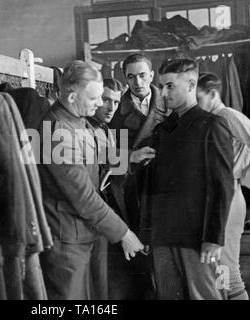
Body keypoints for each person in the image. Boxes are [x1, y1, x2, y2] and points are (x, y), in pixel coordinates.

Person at [37, 61, 145, 300]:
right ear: (73, 96)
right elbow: (82, 196)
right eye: (95, 98)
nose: (100, 104)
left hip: (83, 233)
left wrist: (130, 158)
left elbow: (96, 161)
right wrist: (124, 233)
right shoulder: (57, 130)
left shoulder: (77, 121)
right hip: (67, 238)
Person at [141, 58, 235, 300]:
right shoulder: (163, 130)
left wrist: (214, 238)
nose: (162, 93)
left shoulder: (212, 125)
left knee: (203, 296)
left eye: (170, 86)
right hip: (163, 235)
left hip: (196, 237)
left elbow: (222, 186)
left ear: (192, 84)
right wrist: (148, 231)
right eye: (161, 86)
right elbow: (150, 183)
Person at [196, 72, 250, 300]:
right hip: (220, 194)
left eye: (198, 97)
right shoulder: (211, 119)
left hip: (229, 195)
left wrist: (244, 179)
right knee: (217, 268)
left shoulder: (227, 116)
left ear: (213, 94)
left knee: (227, 269)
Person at [87, 78, 155, 299]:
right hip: (99, 213)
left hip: (115, 208)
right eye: (105, 100)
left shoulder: (105, 129)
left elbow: (108, 163)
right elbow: (95, 163)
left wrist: (131, 159)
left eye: (115, 102)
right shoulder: (85, 128)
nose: (111, 107)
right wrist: (130, 158)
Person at [108, 53, 167, 299]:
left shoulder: (169, 102)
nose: (138, 82)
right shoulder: (113, 110)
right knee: (137, 254)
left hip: (163, 186)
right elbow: (104, 153)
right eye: (131, 77)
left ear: (152, 75)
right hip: (131, 187)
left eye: (143, 75)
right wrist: (131, 156)